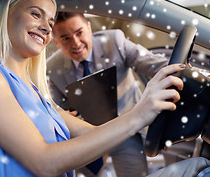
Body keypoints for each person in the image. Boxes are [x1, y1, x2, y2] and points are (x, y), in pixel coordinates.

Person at [0, 0, 210, 177]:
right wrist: (139, 114)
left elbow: (93, 134)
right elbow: (44, 162)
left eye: (49, 20)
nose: (45, 26)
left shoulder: (33, 89)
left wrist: (148, 112)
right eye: (35, 14)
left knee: (199, 167)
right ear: (6, 15)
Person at [47, 12, 169, 176]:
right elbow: (56, 110)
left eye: (79, 33)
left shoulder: (114, 41)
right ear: (56, 42)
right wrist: (66, 118)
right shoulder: (52, 68)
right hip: (86, 137)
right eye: (66, 38)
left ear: (89, 28)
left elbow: (154, 64)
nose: (76, 43)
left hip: (125, 128)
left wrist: (193, 73)